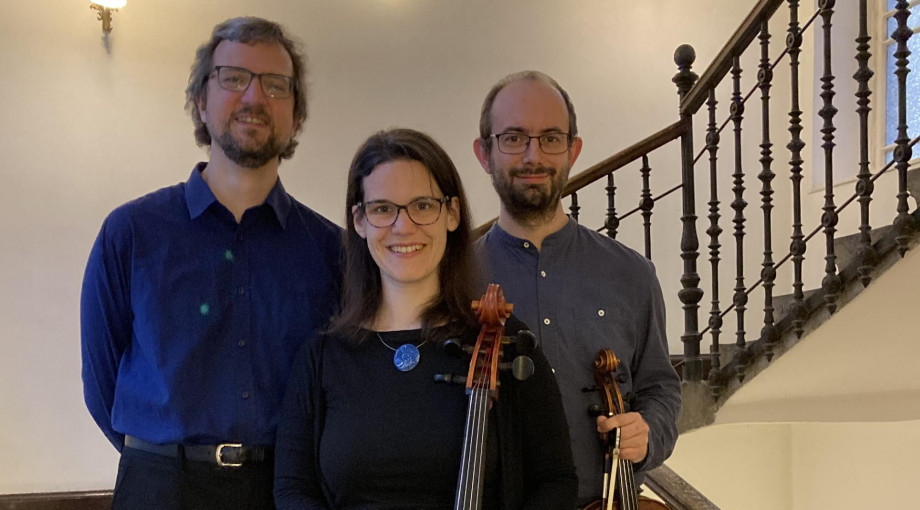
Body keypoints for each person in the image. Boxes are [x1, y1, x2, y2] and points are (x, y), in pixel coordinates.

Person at [80, 17, 341, 509]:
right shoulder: (130, 233)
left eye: (276, 85)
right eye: (234, 78)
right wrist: (165, 458)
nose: (254, 97)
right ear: (201, 100)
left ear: (296, 115)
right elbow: (100, 383)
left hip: (283, 491)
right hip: (159, 487)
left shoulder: (331, 250)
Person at [274, 128, 576, 509]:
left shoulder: (508, 343)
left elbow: (555, 482)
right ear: (359, 221)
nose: (403, 226)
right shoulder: (322, 357)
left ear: (451, 214)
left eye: (422, 205)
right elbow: (293, 490)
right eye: (383, 209)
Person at [472, 71, 682, 506]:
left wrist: (648, 432)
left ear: (573, 151)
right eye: (513, 138)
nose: (534, 155)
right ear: (484, 153)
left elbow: (660, 387)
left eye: (551, 138)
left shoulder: (632, 274)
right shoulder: (452, 279)